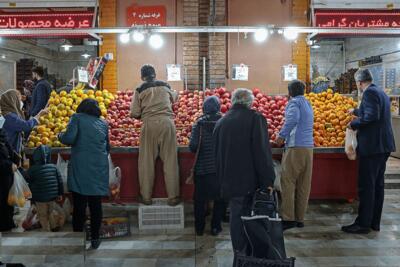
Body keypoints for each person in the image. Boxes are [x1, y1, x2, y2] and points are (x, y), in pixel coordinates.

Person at [214, 88, 275, 262]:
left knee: (236, 220)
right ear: (250, 102)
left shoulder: (221, 122)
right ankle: (251, 259)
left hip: (229, 183)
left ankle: (239, 257)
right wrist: (268, 181)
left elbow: (216, 156)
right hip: (250, 183)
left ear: (233, 101)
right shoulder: (256, 119)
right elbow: (262, 153)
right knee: (252, 222)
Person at [342, 69, 395, 234]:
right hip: (383, 146)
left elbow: (372, 116)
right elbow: (374, 112)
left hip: (373, 147)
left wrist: (354, 124)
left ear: (359, 82)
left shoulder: (369, 93)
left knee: (367, 186)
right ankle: (374, 222)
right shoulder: (379, 91)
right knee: (378, 185)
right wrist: (356, 111)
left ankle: (363, 224)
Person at [58, 99, 109, 249]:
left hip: (82, 165)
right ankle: (95, 239)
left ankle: (78, 238)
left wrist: (60, 135)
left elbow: (69, 138)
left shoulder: (77, 118)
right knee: (95, 204)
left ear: (81, 108)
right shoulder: (103, 123)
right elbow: (108, 146)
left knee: (79, 203)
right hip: (99, 166)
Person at [130, 64, 180, 206]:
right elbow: (176, 98)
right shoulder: (165, 85)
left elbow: (134, 112)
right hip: (167, 123)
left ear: (142, 76)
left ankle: (146, 197)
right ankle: (173, 197)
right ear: (154, 74)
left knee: (146, 162)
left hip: (149, 125)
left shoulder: (140, 89)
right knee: (171, 161)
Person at [276, 80, 314, 231]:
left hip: (295, 146)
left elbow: (292, 119)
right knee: (304, 184)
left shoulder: (294, 103)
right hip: (308, 148)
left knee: (288, 182)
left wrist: (281, 136)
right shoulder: (307, 103)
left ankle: (288, 218)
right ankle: (300, 218)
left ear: (290, 92)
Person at [189, 96, 224, 236]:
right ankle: (215, 227)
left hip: (202, 169)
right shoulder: (225, 122)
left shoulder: (199, 124)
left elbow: (193, 146)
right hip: (219, 169)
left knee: (199, 200)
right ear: (219, 107)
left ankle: (199, 228)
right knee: (220, 199)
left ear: (204, 109)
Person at [27, 145, 64, 232]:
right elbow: (60, 181)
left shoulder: (32, 169)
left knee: (43, 215)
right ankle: (54, 226)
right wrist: (60, 194)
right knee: (50, 212)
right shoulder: (54, 167)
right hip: (52, 197)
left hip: (39, 198)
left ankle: (46, 231)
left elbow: (28, 181)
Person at [0, 89, 46, 155]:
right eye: (19, 100)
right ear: (13, 101)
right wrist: (39, 115)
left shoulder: (6, 114)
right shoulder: (9, 117)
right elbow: (26, 126)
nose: (21, 102)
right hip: (8, 154)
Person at [0, 116, 19, 232]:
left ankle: (8, 222)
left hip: (7, 175)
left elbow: (9, 149)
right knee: (2, 201)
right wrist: (8, 165)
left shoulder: (2, 134)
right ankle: (4, 224)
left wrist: (15, 159)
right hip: (2, 174)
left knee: (8, 200)